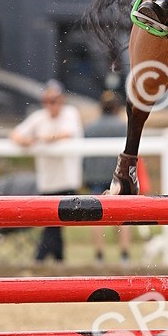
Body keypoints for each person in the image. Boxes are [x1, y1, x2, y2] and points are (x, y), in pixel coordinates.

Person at [10, 81, 83, 264]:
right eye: (48, 100)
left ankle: (40, 259)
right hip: (47, 181)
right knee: (53, 224)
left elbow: (66, 134)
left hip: (67, 180)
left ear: (62, 100)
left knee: (54, 223)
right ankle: (58, 261)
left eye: (55, 100)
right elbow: (15, 134)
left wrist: (38, 139)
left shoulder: (70, 114)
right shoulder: (38, 117)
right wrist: (25, 141)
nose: (51, 105)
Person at [82, 90, 132, 263]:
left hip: (95, 175)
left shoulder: (90, 128)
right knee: (123, 215)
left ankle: (99, 254)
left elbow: (84, 154)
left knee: (97, 215)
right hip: (117, 177)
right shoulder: (124, 127)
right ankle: (124, 254)